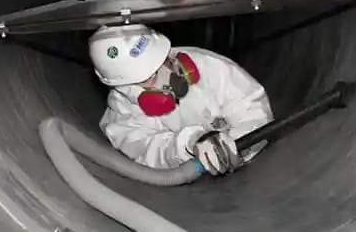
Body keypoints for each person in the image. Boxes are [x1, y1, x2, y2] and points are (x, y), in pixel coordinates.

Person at [89, 24, 273, 175]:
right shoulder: (123, 116)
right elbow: (148, 151)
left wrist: (240, 145)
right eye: (149, 76)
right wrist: (189, 144)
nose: (167, 74)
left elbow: (252, 107)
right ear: (126, 89)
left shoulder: (208, 65)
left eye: (163, 60)